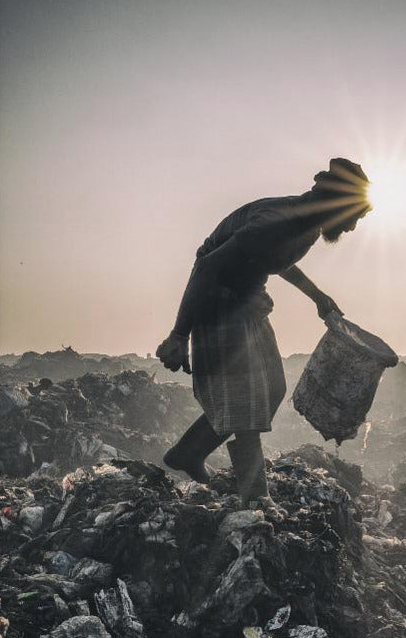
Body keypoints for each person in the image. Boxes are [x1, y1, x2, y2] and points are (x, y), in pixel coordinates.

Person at [154, 158, 372, 514]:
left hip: (248, 301)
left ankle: (189, 451)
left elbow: (275, 258)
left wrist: (318, 297)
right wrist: (179, 335)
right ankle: (255, 497)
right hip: (217, 305)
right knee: (246, 405)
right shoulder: (275, 220)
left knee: (271, 388)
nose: (351, 227)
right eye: (354, 217)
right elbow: (209, 266)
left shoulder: (307, 225)